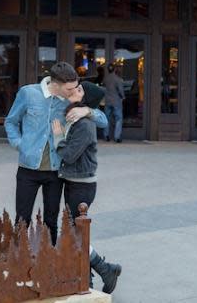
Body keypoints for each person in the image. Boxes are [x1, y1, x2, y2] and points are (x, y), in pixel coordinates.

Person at [4, 62, 108, 245]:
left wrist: (87, 110)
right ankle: (17, 259)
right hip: (28, 168)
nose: (74, 91)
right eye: (69, 88)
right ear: (56, 84)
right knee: (22, 219)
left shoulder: (71, 102)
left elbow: (103, 121)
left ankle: (49, 260)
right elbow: (11, 121)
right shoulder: (28, 93)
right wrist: (20, 144)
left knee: (51, 221)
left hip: (55, 171)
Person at [52, 81, 122, 294]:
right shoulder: (75, 116)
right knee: (75, 231)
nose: (76, 90)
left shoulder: (85, 124)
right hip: (74, 182)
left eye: (81, 89)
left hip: (81, 185)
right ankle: (88, 278)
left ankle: (103, 269)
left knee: (76, 233)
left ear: (86, 100)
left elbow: (70, 154)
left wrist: (57, 137)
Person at [102, 63, 125, 143]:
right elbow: (121, 91)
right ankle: (117, 137)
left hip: (107, 101)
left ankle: (106, 135)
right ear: (115, 69)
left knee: (106, 118)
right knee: (118, 118)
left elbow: (103, 87)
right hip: (116, 101)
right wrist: (123, 97)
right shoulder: (117, 79)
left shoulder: (106, 79)